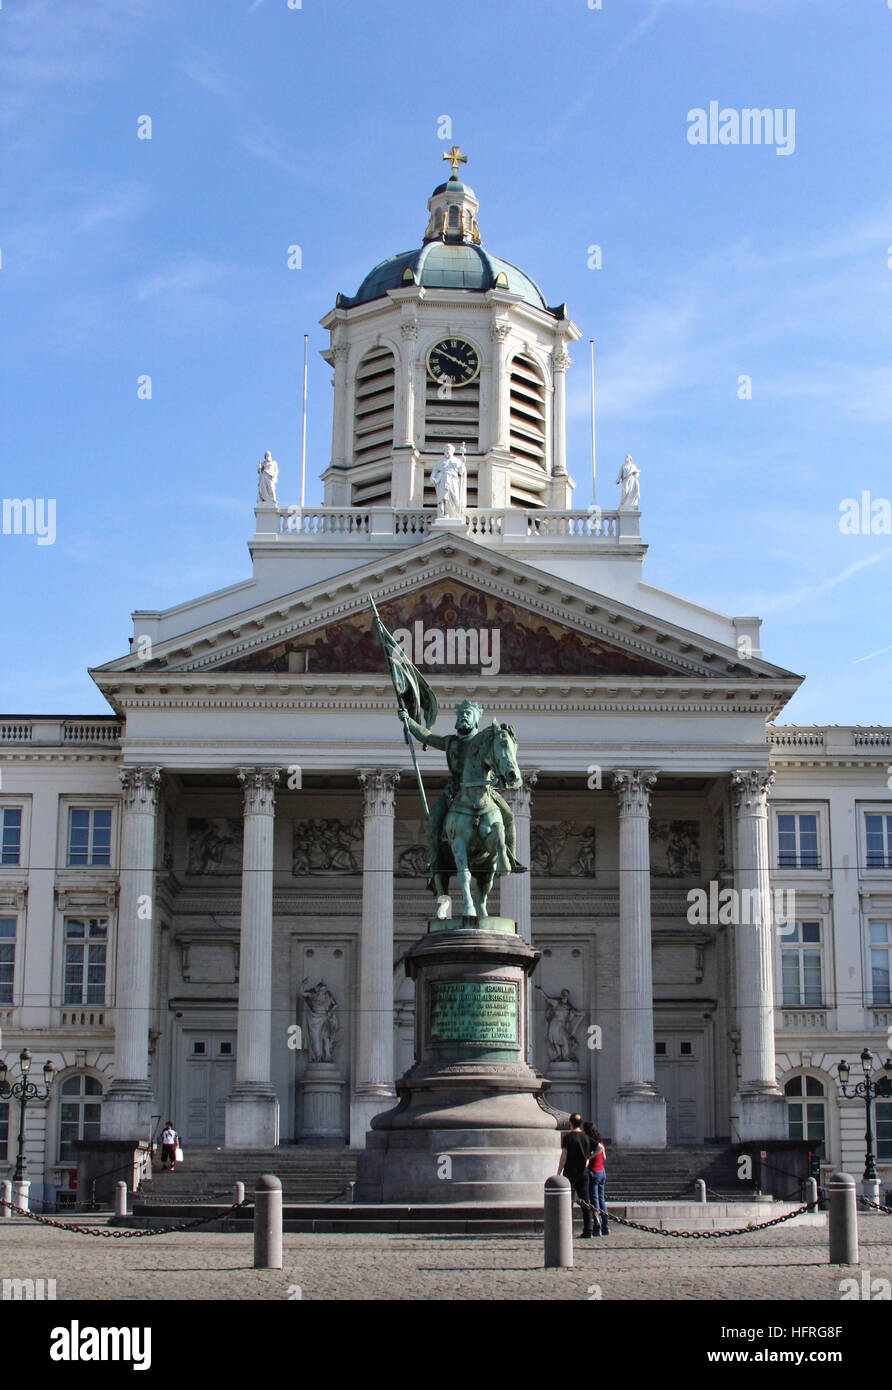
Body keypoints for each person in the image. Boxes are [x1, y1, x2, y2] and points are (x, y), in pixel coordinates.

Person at [556, 1112, 594, 1237]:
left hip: (570, 1172)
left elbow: (564, 1156)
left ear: (570, 1123)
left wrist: (558, 1171)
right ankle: (588, 1229)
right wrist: (589, 1158)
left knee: (568, 1202)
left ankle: (568, 1230)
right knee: (586, 1201)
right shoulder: (586, 1137)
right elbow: (600, 1148)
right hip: (583, 1172)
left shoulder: (568, 1138)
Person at [584, 1122, 609, 1236]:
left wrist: (589, 1157)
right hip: (602, 1171)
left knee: (595, 1201)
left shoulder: (590, 1142)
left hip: (594, 1172)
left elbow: (596, 1154)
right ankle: (606, 1227)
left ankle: (597, 1227)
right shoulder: (601, 1142)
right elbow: (604, 1157)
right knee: (601, 1199)